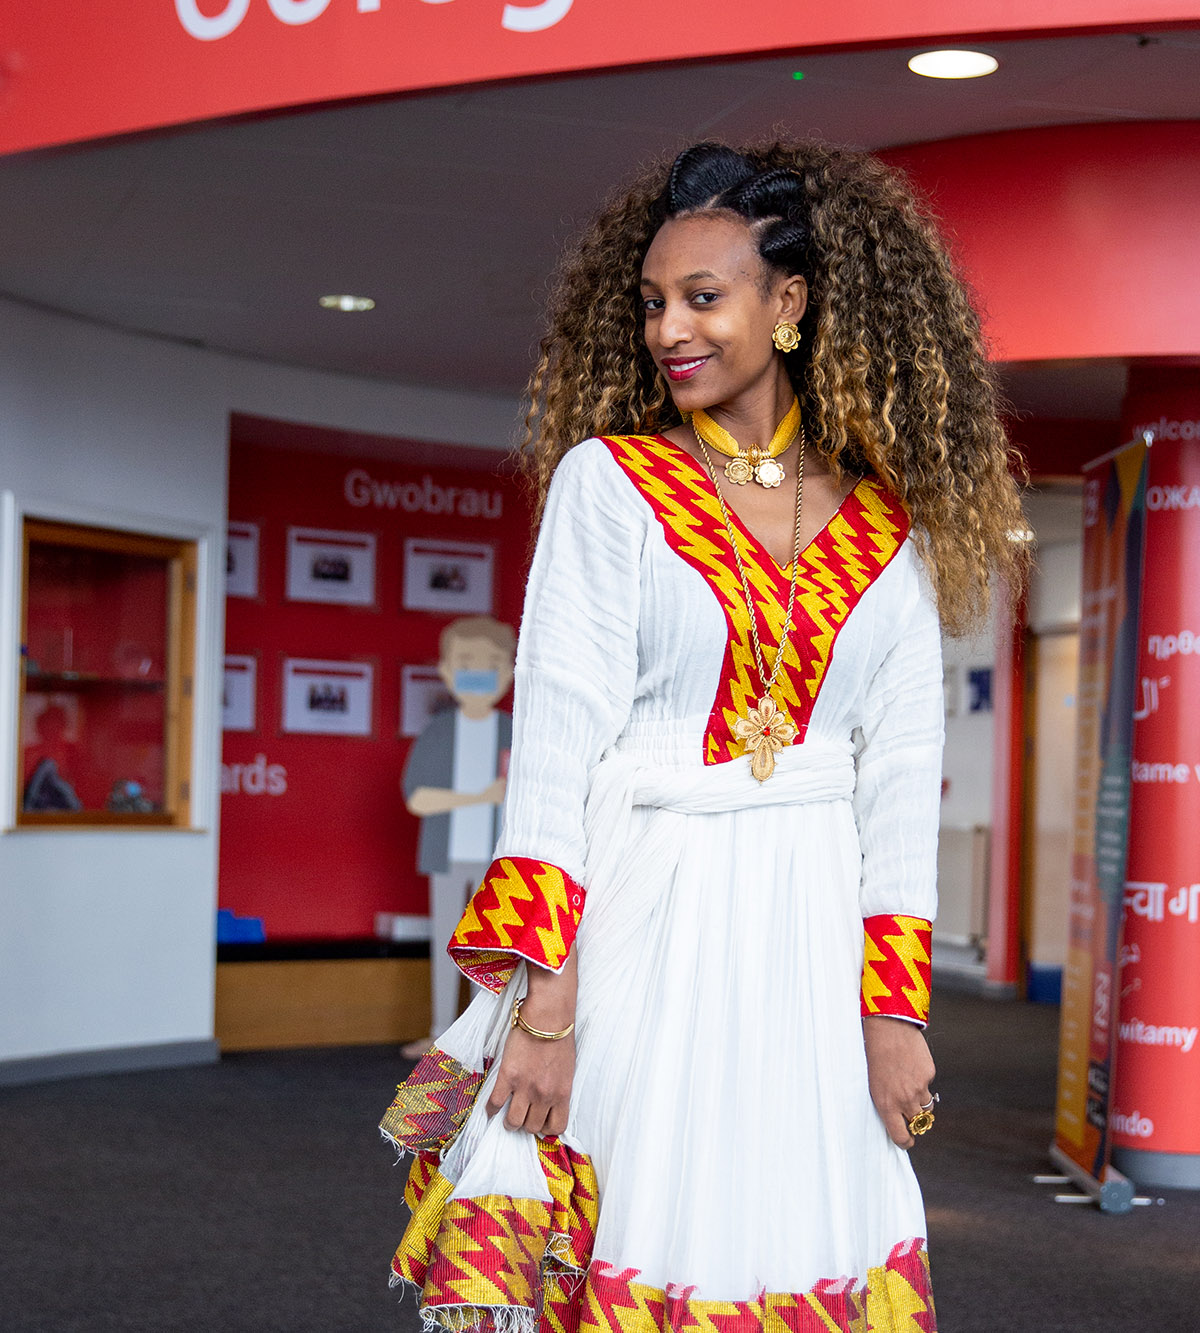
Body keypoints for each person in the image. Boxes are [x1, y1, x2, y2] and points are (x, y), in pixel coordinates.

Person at [378, 140, 1024, 1330]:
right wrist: (543, 1007)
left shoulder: (894, 527)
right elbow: (557, 754)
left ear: (788, 304)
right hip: (641, 926)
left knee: (791, 1222)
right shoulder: (606, 483)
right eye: (650, 303)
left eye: (701, 297)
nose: (667, 328)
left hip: (808, 938)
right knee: (632, 1216)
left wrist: (895, 1012)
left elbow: (893, 788)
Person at [400, 616, 518, 1058]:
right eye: (466, 663)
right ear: (446, 670)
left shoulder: (515, 730)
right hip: (447, 859)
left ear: (508, 672)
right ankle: (440, 1032)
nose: (478, 673)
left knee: (489, 947)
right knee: (446, 944)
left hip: (499, 860)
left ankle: (482, 1037)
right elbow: (418, 798)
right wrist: (478, 797)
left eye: (490, 664)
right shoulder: (439, 731)